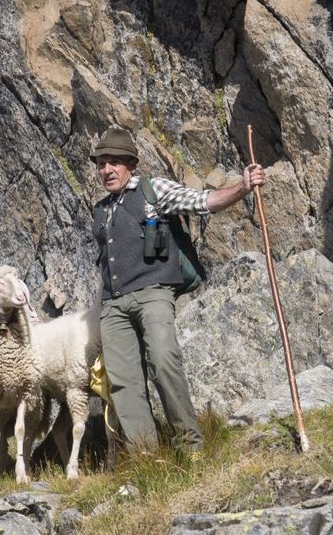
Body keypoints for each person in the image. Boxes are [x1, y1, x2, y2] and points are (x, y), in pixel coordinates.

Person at [90, 126, 266, 454]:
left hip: (154, 293)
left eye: (114, 161)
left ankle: (191, 449)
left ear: (130, 163)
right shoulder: (100, 209)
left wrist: (243, 186)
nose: (106, 169)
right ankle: (147, 460)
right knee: (123, 384)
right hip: (113, 307)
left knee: (163, 360)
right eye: (101, 163)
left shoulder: (153, 188)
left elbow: (203, 201)